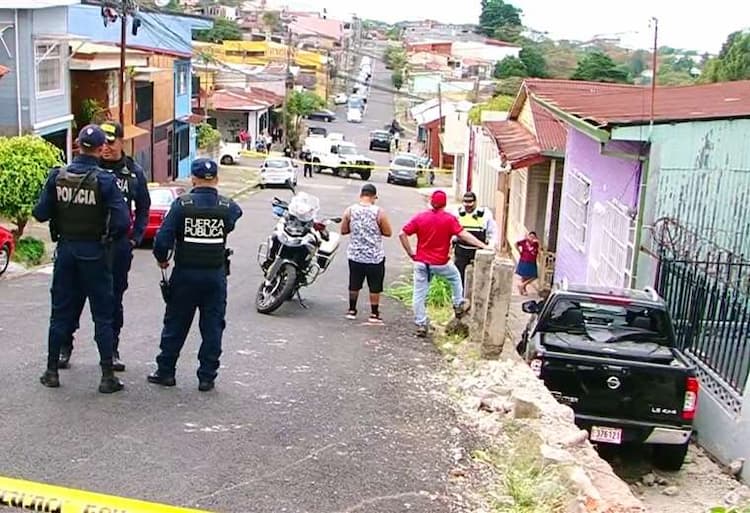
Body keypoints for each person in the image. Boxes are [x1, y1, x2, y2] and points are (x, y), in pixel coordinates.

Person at [32, 125, 130, 393]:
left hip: (66, 252)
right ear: (100, 149)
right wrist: (107, 238)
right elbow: (122, 222)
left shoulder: (57, 176)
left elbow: (40, 213)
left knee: (60, 313)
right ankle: (107, 375)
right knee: (103, 315)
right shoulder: (106, 181)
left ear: (77, 145)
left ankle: (51, 371)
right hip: (95, 253)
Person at [57, 121, 151, 371]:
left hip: (116, 248)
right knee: (74, 298)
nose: (106, 148)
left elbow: (143, 207)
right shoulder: (87, 170)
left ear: (121, 142)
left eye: (111, 142)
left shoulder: (133, 173)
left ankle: (111, 351)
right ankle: (64, 347)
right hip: (86, 242)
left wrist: (135, 239)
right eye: (103, 143)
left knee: (112, 302)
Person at [148, 158, 243, 391]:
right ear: (217, 180)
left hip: (185, 274)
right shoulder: (227, 207)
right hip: (214, 275)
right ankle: (207, 377)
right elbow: (233, 220)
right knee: (212, 327)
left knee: (176, 324)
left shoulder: (182, 205)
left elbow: (162, 239)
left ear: (193, 178)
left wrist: (162, 259)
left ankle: (166, 371)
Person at [399, 190, 489, 337]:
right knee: (455, 277)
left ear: (431, 202)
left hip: (421, 262)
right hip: (441, 262)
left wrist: (410, 253)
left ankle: (421, 324)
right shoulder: (449, 219)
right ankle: (458, 303)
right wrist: (483, 245)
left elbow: (402, 233)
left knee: (419, 295)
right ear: (445, 204)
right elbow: (463, 235)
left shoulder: (420, 217)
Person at [341, 183, 392, 323]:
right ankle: (374, 313)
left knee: (354, 282)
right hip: (374, 256)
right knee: (375, 285)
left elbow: (344, 230)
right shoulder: (379, 212)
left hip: (355, 254)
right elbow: (388, 232)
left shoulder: (350, 210)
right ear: (374, 196)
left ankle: (352, 309)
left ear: (361, 195)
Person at [453, 191, 498, 286]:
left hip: (479, 252)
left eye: (470, 203)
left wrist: (490, 246)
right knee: (459, 276)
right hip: (461, 251)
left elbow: (493, 232)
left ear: (475, 202)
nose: (468, 206)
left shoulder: (485, 214)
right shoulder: (457, 213)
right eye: (465, 202)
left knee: (480, 278)